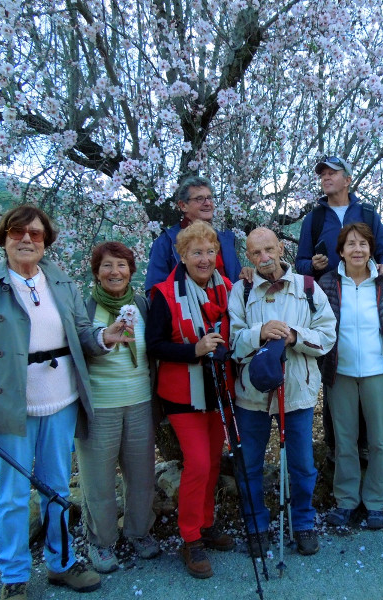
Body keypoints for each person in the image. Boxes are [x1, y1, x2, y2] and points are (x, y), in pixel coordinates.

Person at [0, 205, 130, 600]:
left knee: (57, 489)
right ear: (4, 238)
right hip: (7, 409)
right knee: (12, 494)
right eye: (17, 232)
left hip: (61, 403)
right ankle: (14, 578)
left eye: (35, 233)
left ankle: (61, 564)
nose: (27, 239)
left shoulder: (61, 284)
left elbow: (81, 331)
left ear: (46, 241)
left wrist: (103, 337)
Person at [228, 227, 336, 556]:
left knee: (303, 465)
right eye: (256, 253)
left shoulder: (307, 287)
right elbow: (232, 342)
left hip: (297, 393)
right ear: (248, 256)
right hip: (253, 396)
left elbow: (328, 335)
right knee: (250, 465)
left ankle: (302, 522)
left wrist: (294, 336)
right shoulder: (242, 291)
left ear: (280, 248)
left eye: (269, 249)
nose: (264, 258)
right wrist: (258, 333)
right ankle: (257, 524)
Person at [146, 220, 237, 579]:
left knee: (214, 461)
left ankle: (206, 523)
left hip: (220, 390)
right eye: (196, 252)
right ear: (182, 256)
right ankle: (189, 537)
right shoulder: (164, 295)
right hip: (184, 393)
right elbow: (154, 346)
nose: (204, 258)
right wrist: (194, 350)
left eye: (210, 251)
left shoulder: (229, 289)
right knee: (198, 462)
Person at [295, 155, 383, 460]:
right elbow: (300, 263)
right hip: (329, 300)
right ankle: (336, 446)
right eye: (323, 174)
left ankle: (366, 447)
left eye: (333, 173)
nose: (326, 178)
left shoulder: (367, 212)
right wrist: (312, 264)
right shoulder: (313, 219)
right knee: (335, 368)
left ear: (347, 179)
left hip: (367, 298)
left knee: (368, 370)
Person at [76, 242, 160, 574]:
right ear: (96, 272)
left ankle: (139, 532)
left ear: (131, 271)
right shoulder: (84, 308)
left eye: (122, 265)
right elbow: (80, 342)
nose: (115, 272)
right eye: (107, 266)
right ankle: (100, 541)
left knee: (141, 476)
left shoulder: (141, 304)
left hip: (140, 401)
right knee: (98, 479)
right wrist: (102, 338)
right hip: (100, 405)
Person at [318, 223, 383, 529]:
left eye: (363, 244)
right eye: (351, 244)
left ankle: (377, 502)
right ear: (340, 251)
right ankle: (346, 501)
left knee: (379, 441)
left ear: (371, 249)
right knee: (344, 440)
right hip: (339, 372)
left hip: (379, 372)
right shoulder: (327, 283)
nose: (357, 249)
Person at [144, 175, 251, 295]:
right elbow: (154, 291)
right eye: (199, 198)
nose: (207, 203)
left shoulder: (225, 241)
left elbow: (236, 283)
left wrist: (246, 274)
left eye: (210, 198)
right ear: (183, 205)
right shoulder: (166, 241)